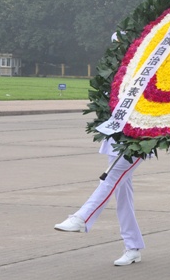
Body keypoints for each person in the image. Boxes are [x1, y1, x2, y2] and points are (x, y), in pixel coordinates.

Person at [54, 32, 145, 267]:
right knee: (121, 193)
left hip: (139, 140)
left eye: (121, 46)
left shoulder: (145, 70)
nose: (117, 50)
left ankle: (82, 217)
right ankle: (133, 246)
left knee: (112, 178)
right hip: (117, 138)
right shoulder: (115, 72)